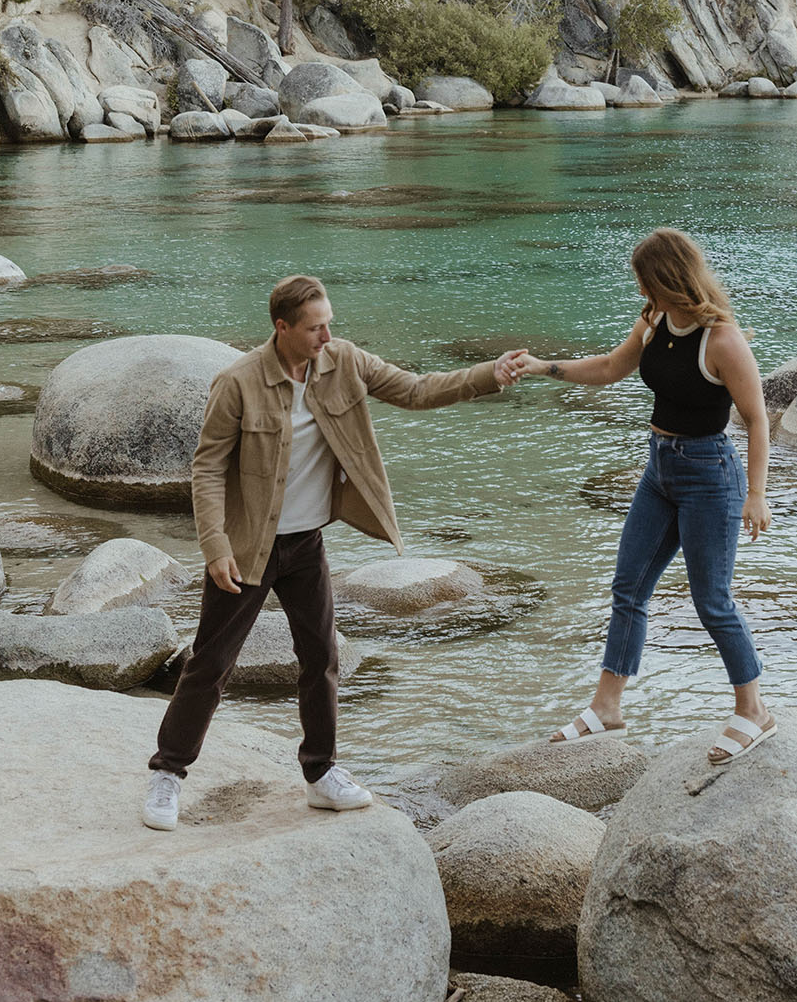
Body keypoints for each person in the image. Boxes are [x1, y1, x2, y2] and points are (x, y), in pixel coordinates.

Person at [144, 275, 522, 829]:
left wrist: (489, 375)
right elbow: (207, 467)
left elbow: (415, 390)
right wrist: (215, 544)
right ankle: (167, 773)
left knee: (321, 658)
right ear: (283, 328)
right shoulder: (238, 382)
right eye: (316, 327)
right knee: (210, 665)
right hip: (248, 548)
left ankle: (321, 773)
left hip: (306, 544)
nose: (327, 335)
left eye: (329, 324)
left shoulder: (343, 361)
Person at [513, 227, 773, 766]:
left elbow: (757, 419)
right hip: (660, 470)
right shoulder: (654, 323)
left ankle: (754, 711)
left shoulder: (722, 340)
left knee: (712, 601)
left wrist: (757, 496)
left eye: (644, 283)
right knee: (628, 586)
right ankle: (607, 707)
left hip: (710, 475)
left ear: (666, 280)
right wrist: (544, 367)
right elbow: (610, 368)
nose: (640, 293)